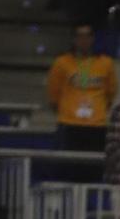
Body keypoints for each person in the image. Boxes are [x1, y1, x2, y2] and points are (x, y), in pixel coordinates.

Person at [47, 26, 116, 155]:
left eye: (87, 36)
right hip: (69, 123)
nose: (84, 40)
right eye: (80, 36)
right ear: (73, 39)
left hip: (96, 125)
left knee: (93, 167)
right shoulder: (61, 63)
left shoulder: (106, 63)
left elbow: (110, 93)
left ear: (93, 39)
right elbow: (53, 93)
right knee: (67, 167)